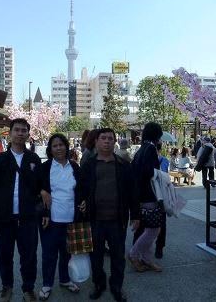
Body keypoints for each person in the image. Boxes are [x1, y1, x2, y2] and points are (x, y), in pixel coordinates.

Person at [79, 128, 139, 302]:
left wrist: (136, 215)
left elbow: (133, 192)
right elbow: (81, 189)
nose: (107, 141)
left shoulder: (123, 165)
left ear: (115, 142)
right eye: (103, 138)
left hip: (117, 219)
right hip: (95, 219)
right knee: (95, 257)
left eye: (110, 138)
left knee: (118, 257)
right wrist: (81, 202)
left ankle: (117, 287)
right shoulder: (88, 165)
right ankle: (99, 285)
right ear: (96, 141)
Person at [0, 118, 42, 302]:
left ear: (28, 134)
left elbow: (40, 188)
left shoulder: (33, 159)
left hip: (28, 218)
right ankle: (6, 287)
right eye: (16, 130)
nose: (20, 133)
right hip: (4, 218)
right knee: (4, 255)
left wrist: (43, 212)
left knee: (29, 256)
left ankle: (28, 288)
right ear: (10, 134)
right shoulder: (0, 159)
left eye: (23, 130)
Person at [37, 133, 84, 300]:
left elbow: (81, 190)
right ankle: (47, 284)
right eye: (55, 146)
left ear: (66, 146)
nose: (58, 148)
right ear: (50, 149)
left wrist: (83, 202)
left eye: (61, 144)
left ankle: (65, 279)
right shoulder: (45, 167)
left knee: (67, 252)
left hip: (72, 218)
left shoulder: (74, 167)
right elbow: (34, 188)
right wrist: (42, 191)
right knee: (49, 254)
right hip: (51, 219)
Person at [129, 122, 165, 270]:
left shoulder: (141, 149)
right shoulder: (151, 149)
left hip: (140, 194)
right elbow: (150, 172)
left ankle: (147, 259)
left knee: (147, 228)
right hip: (149, 194)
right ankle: (134, 254)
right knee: (154, 229)